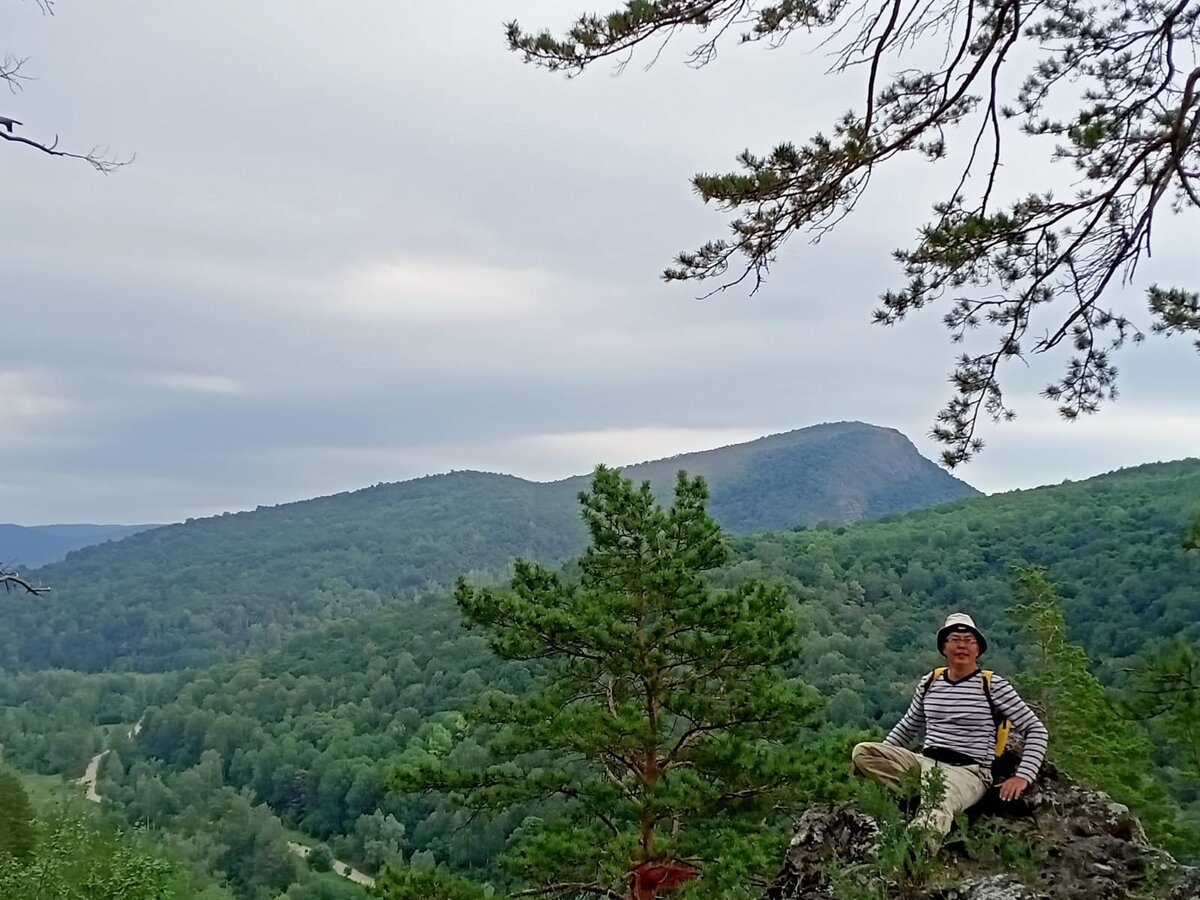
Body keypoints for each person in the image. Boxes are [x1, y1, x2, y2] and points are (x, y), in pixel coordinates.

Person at [851, 613, 1049, 846]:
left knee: (936, 808)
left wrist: (1023, 776)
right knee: (863, 753)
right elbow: (908, 725)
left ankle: (915, 854)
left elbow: (1036, 730)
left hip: (968, 771)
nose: (962, 645)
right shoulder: (930, 682)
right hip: (926, 762)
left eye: (969, 640)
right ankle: (919, 795)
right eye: (955, 639)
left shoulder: (992, 685)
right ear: (944, 647)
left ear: (978, 649)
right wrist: (885, 754)